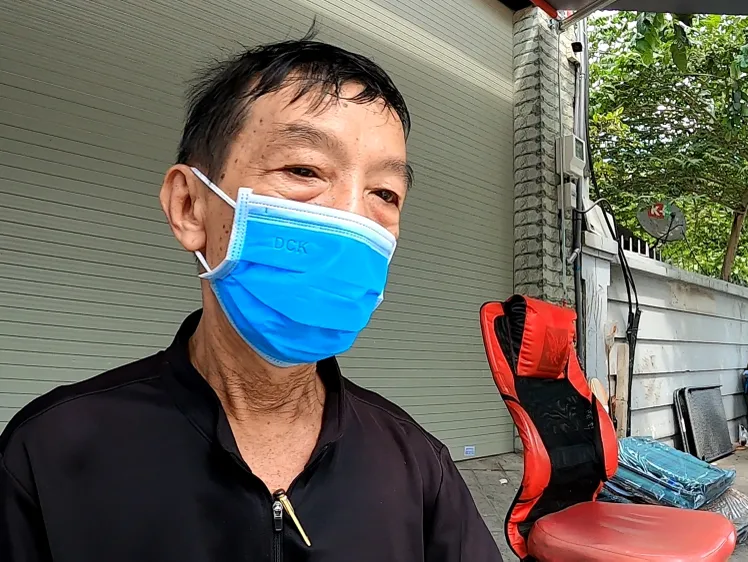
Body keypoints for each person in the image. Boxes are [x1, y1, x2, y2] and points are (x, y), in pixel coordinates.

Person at [0, 35, 502, 561]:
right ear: (189, 207)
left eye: (384, 193)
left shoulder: (417, 466)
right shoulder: (52, 450)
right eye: (304, 170)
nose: (354, 218)